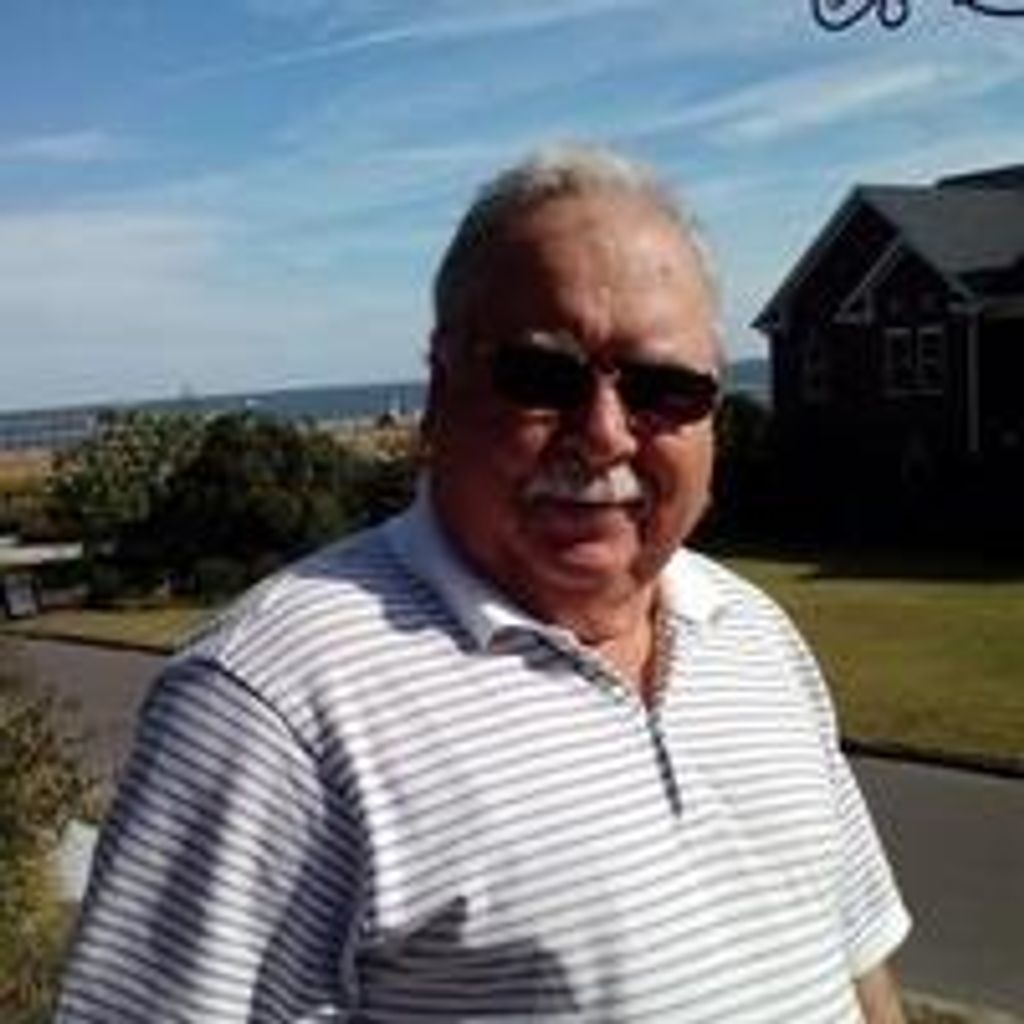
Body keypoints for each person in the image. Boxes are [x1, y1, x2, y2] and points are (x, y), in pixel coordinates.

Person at [57, 144, 910, 1022]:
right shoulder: (273, 702)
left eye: (665, 388)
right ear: (440, 389)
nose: (605, 433)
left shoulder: (755, 633)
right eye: (542, 377)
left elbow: (858, 961)